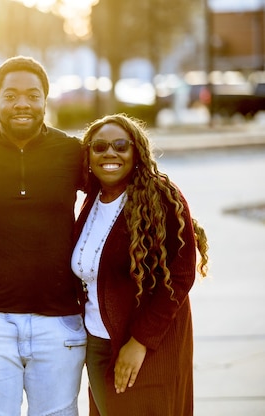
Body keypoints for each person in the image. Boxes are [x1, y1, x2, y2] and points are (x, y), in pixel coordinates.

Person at [0, 55, 87, 416]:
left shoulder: (72, 153)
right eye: (10, 96)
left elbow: (115, 203)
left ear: (45, 99)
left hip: (60, 324)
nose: (21, 103)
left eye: (32, 95)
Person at [72, 113, 209, 415]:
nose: (110, 153)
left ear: (136, 152)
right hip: (98, 342)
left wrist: (140, 342)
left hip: (148, 346)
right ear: (88, 155)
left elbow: (180, 276)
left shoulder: (161, 196)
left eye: (121, 146)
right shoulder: (92, 199)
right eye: (100, 147)